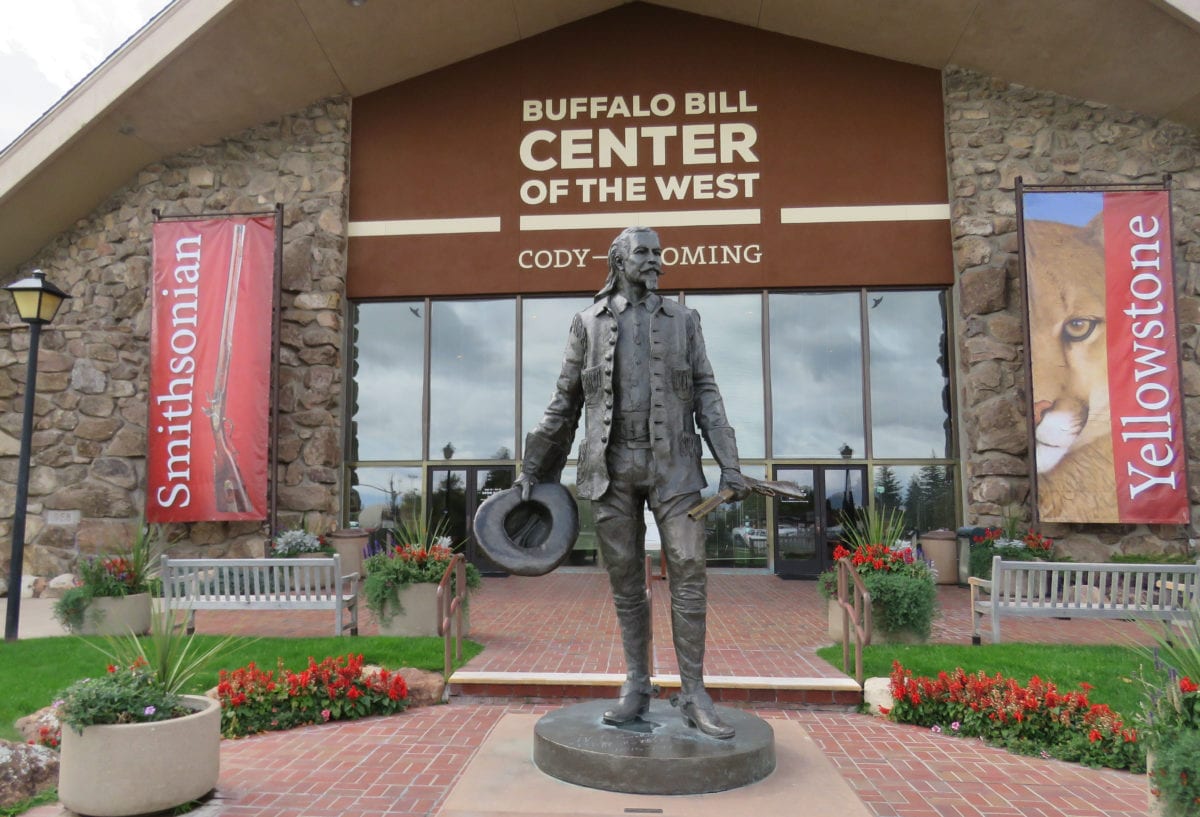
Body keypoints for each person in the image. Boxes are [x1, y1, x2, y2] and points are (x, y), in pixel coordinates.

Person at [516, 226, 750, 739]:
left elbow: (708, 391)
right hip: (610, 467)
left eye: (658, 253)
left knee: (689, 569)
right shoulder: (586, 323)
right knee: (625, 581)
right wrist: (533, 467)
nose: (656, 261)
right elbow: (565, 401)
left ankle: (693, 692)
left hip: (675, 468)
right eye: (644, 252)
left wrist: (729, 462)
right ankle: (637, 686)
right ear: (618, 260)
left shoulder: (685, 320)